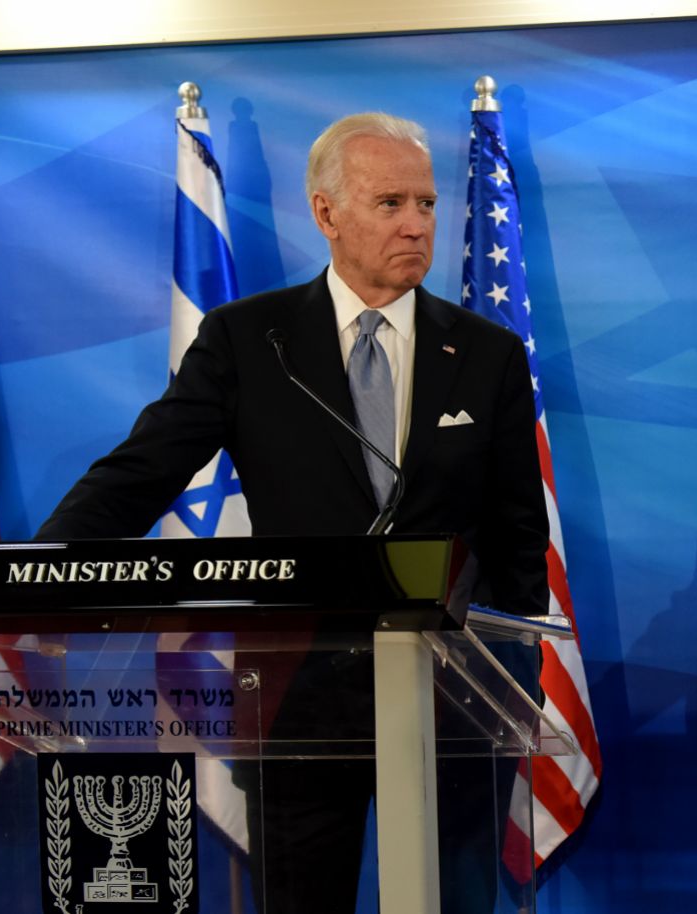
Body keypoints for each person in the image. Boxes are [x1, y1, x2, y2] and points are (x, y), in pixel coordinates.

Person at [39, 112, 548, 912]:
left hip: (457, 693)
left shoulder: (486, 354)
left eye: (426, 203)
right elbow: (143, 472)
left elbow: (520, 534)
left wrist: (515, 674)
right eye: (390, 204)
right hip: (301, 697)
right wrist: (40, 573)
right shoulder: (252, 341)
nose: (416, 225)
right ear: (326, 213)